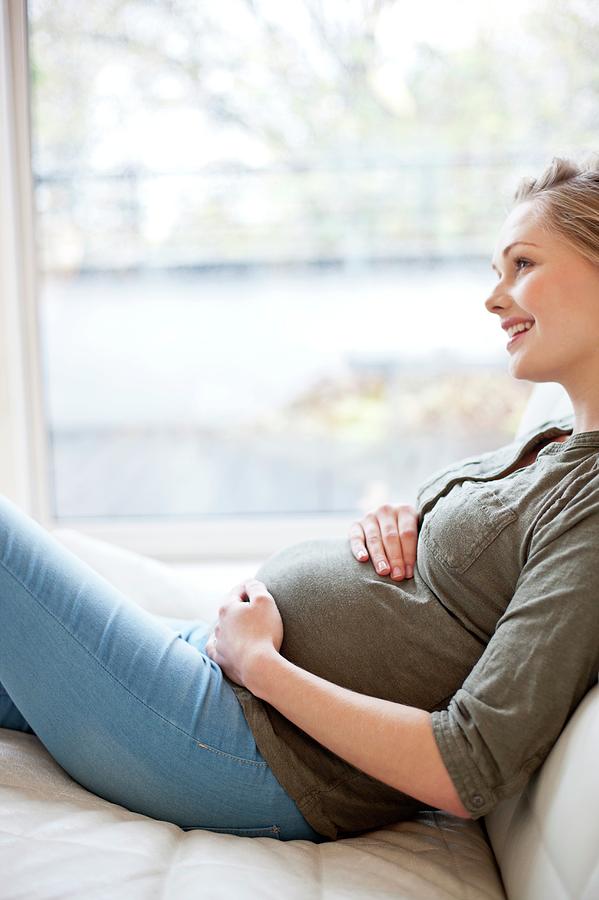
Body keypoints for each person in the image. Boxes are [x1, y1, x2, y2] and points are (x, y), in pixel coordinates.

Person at [1, 155, 598, 843]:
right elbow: (458, 589)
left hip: (246, 744)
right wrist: (409, 521)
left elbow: (471, 765)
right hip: (216, 671)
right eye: (495, 272)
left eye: (521, 264)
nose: (494, 298)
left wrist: (260, 666)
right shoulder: (552, 439)